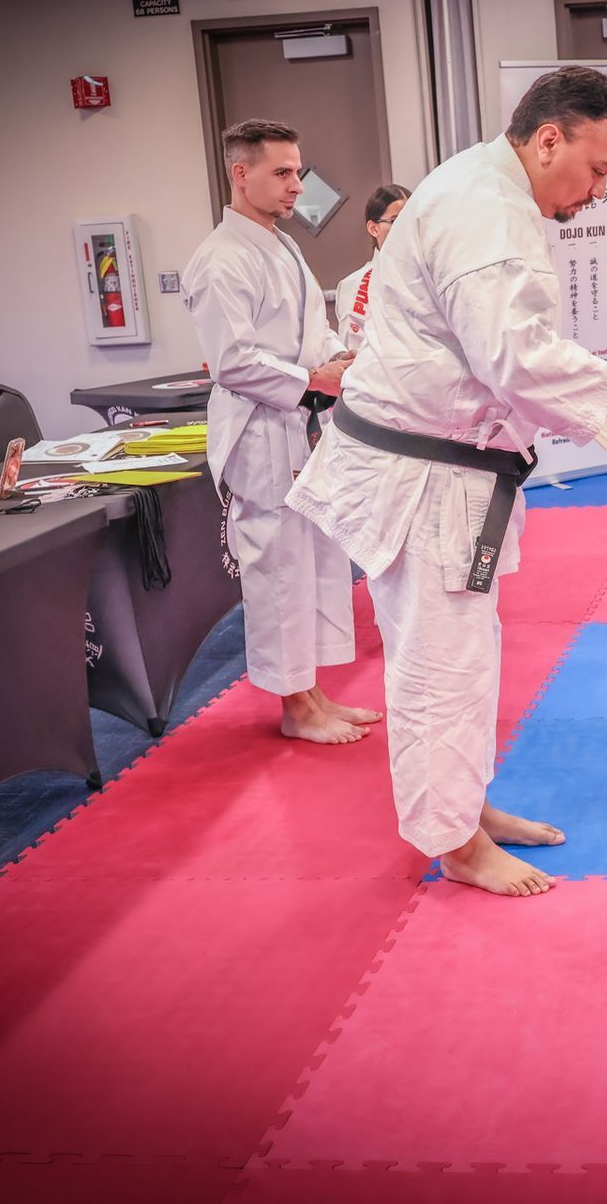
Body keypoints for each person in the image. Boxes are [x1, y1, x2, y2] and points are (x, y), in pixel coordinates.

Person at [287, 66, 607, 897]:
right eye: (594, 170)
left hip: (446, 472)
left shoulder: (484, 187)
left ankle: (465, 808)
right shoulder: (489, 210)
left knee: (466, 655)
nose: (595, 193)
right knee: (439, 662)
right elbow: (518, 361)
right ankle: (453, 842)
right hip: (424, 479)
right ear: (548, 138)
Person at [183, 117, 382, 746]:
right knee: (276, 568)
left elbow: (311, 330)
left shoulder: (283, 245)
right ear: (240, 174)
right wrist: (312, 378)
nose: (297, 184)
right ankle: (295, 707)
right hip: (260, 431)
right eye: (282, 172)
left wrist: (336, 360)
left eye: (297, 171)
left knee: (314, 562)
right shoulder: (218, 260)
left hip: (299, 424)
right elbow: (234, 361)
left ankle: (315, 692)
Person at [335, 183, 411, 353]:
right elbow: (353, 350)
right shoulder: (358, 283)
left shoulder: (422, 274)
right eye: (395, 220)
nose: (405, 228)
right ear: (373, 228)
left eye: (410, 220)